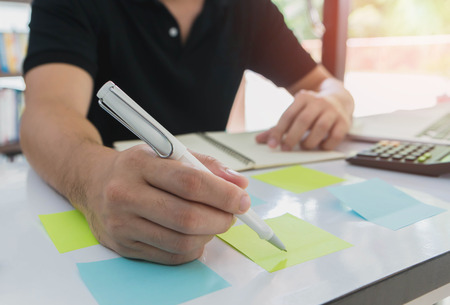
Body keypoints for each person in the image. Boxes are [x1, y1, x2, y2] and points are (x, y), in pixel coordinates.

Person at [20, 0, 354, 265]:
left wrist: (332, 101)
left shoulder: (250, 8)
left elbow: (327, 85)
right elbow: (46, 111)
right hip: (108, 215)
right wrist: (93, 179)